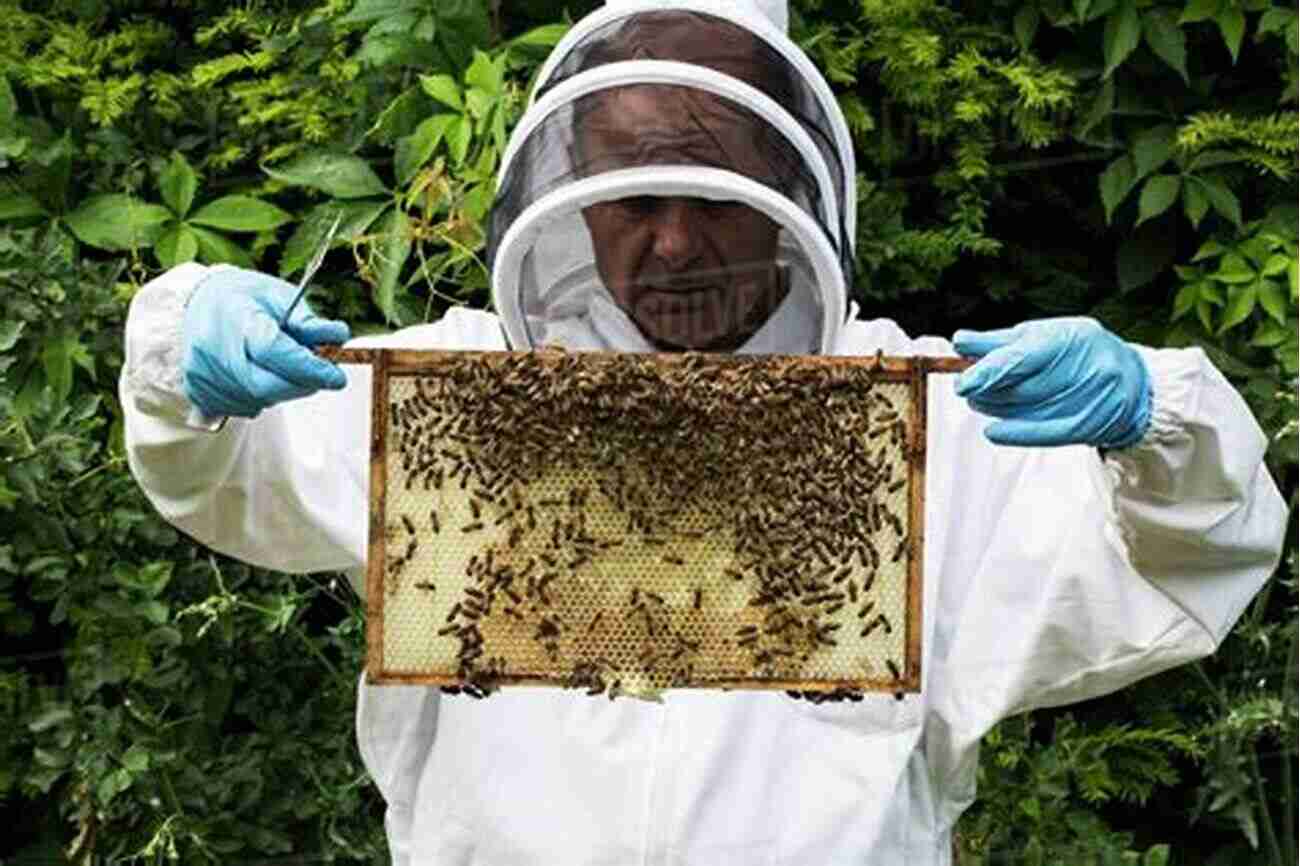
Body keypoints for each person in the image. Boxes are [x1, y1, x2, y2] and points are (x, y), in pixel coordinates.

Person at [119, 1, 1287, 863]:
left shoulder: (933, 423)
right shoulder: (458, 398)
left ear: (793, 192)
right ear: (569, 184)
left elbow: (1187, 557)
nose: (673, 245)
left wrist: (1154, 422)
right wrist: (185, 361)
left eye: (716, 194)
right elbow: (228, 476)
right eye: (634, 197)